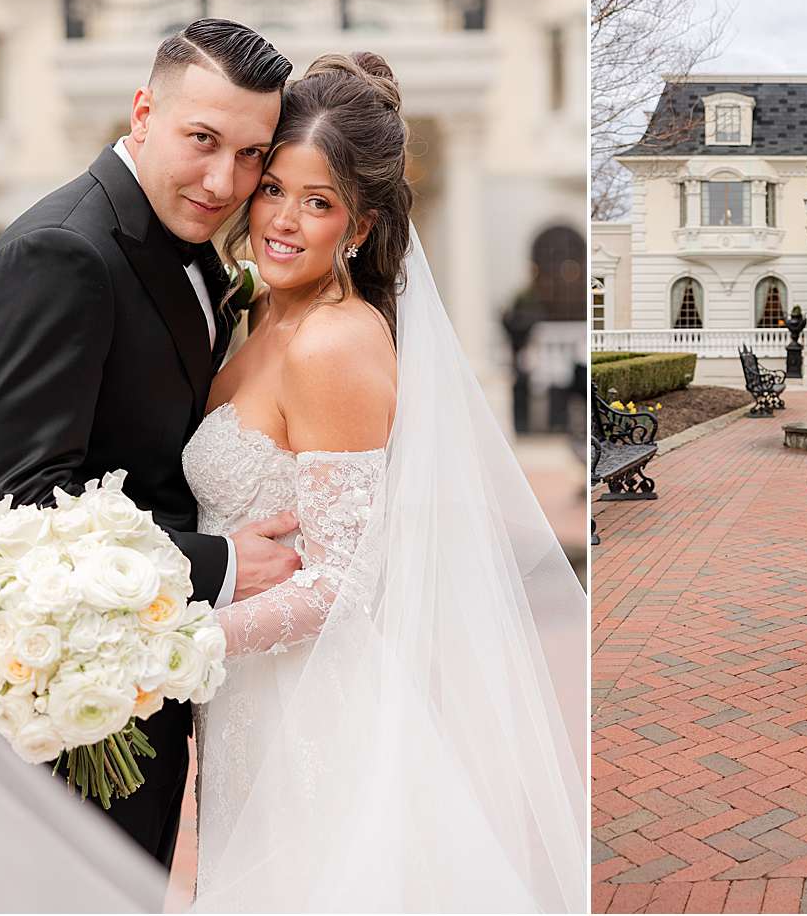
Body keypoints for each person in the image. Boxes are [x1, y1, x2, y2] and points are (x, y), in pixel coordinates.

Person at [187, 53, 587, 912]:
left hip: (312, 712)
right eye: (274, 191)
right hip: (244, 707)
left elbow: (342, 583)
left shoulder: (336, 344)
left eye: (319, 203)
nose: (285, 221)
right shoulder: (256, 312)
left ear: (359, 227)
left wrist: (174, 648)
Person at [0, 19, 306, 902]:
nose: (224, 181)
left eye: (250, 154)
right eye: (202, 141)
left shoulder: (184, 246)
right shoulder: (61, 254)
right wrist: (222, 563)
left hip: (148, 694)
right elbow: (19, 508)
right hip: (66, 730)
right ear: (144, 111)